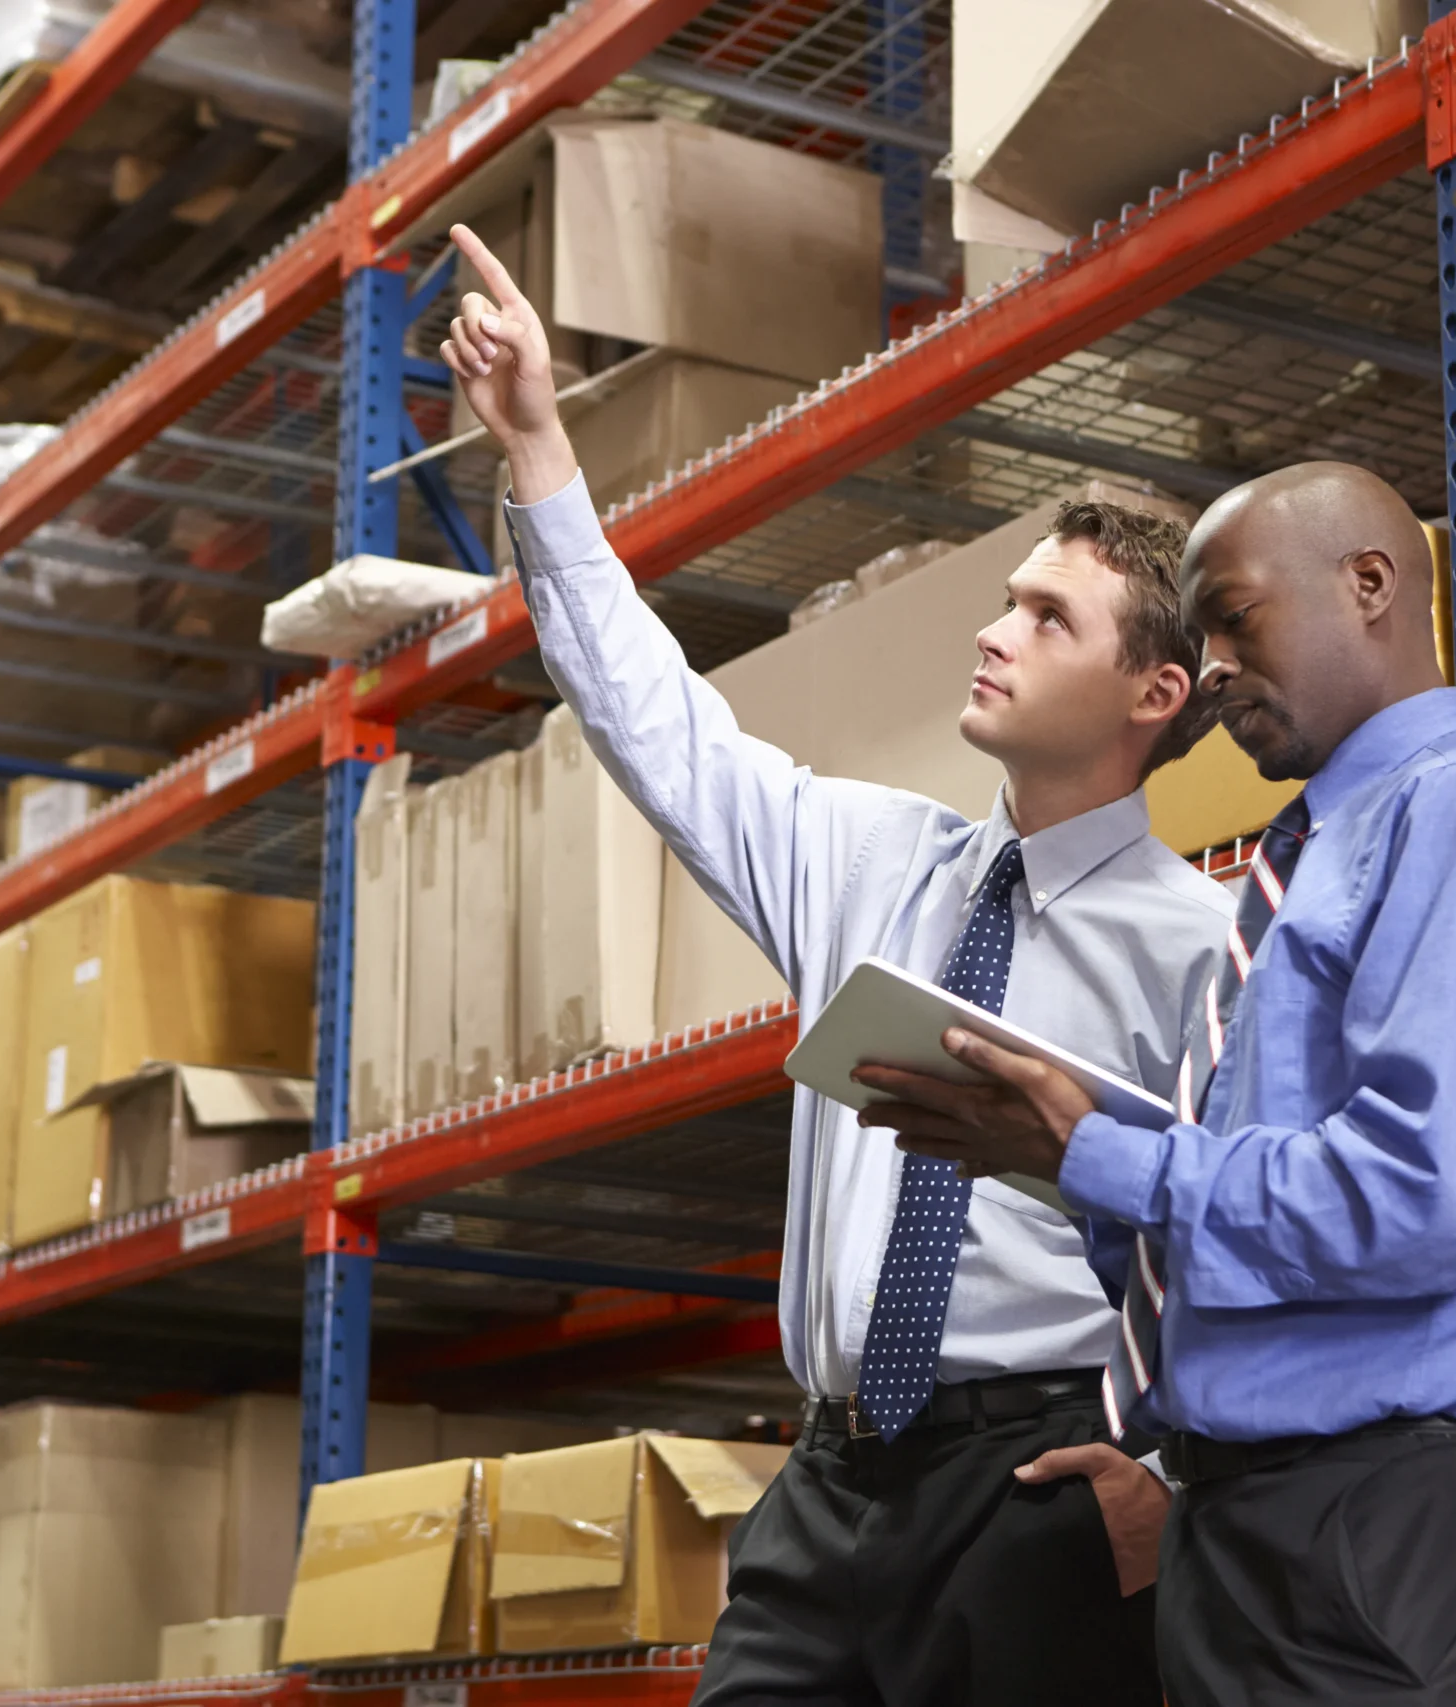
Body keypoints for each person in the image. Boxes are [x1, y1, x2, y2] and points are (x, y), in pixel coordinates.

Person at [438, 222, 1234, 1707]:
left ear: (1155, 689)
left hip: (1043, 1483)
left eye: (1046, 615)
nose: (994, 632)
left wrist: (1174, 1475)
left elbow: (1259, 1248)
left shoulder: (1205, 953)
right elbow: (655, 724)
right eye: (1005, 598)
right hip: (830, 1474)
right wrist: (542, 448)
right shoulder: (871, 862)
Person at [877, 461, 1456, 1706]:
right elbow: (1259, 1238)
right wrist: (1055, 1158)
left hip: (1394, 1524)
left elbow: (1429, 1198)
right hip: (1274, 1520)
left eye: (1234, 617)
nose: (1213, 664)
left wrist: (1105, 1155)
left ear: (1370, 584)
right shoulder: (1301, 868)